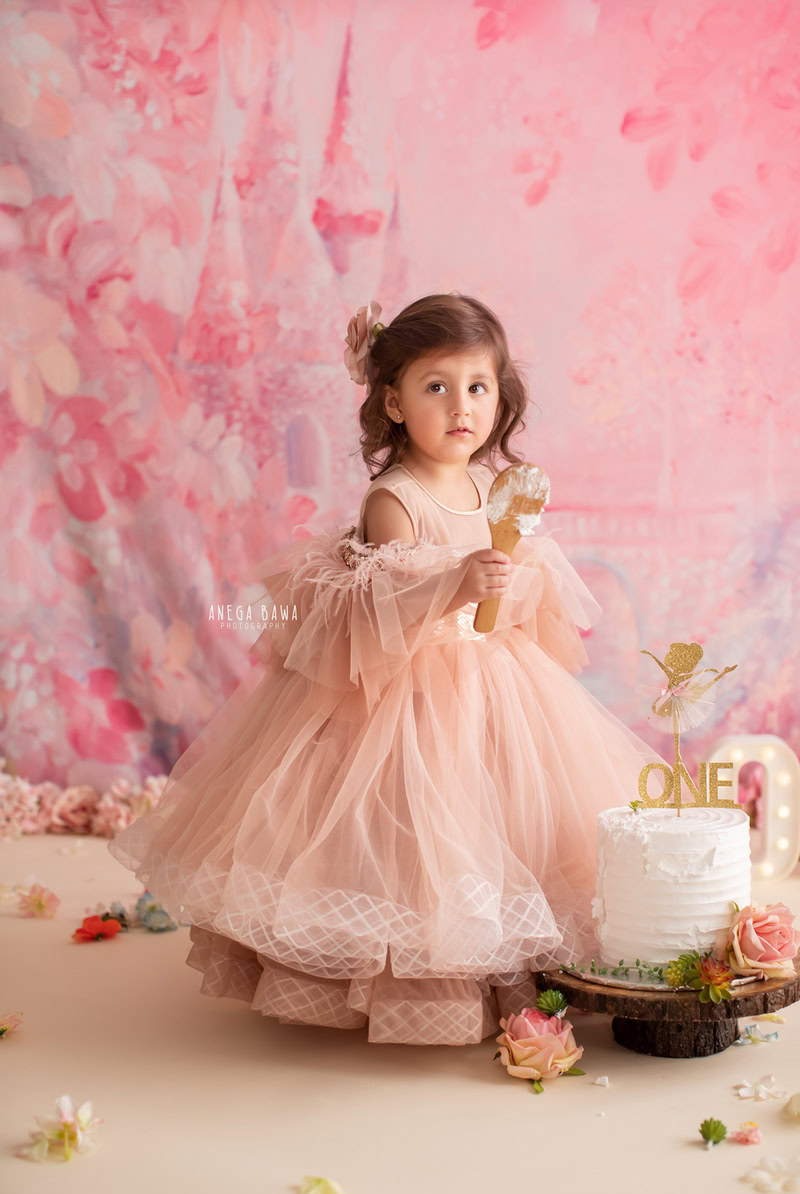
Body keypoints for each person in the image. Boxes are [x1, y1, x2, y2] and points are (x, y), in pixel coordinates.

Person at [108, 292, 668, 1045]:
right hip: (410, 693)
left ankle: (527, 965)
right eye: (437, 386)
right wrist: (456, 582)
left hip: (496, 684)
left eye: (478, 386)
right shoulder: (394, 501)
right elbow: (381, 612)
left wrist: (511, 580)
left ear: (500, 397)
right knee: (426, 834)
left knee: (512, 825)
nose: (461, 406)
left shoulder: (490, 488)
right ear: (395, 403)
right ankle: (428, 979)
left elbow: (510, 597)